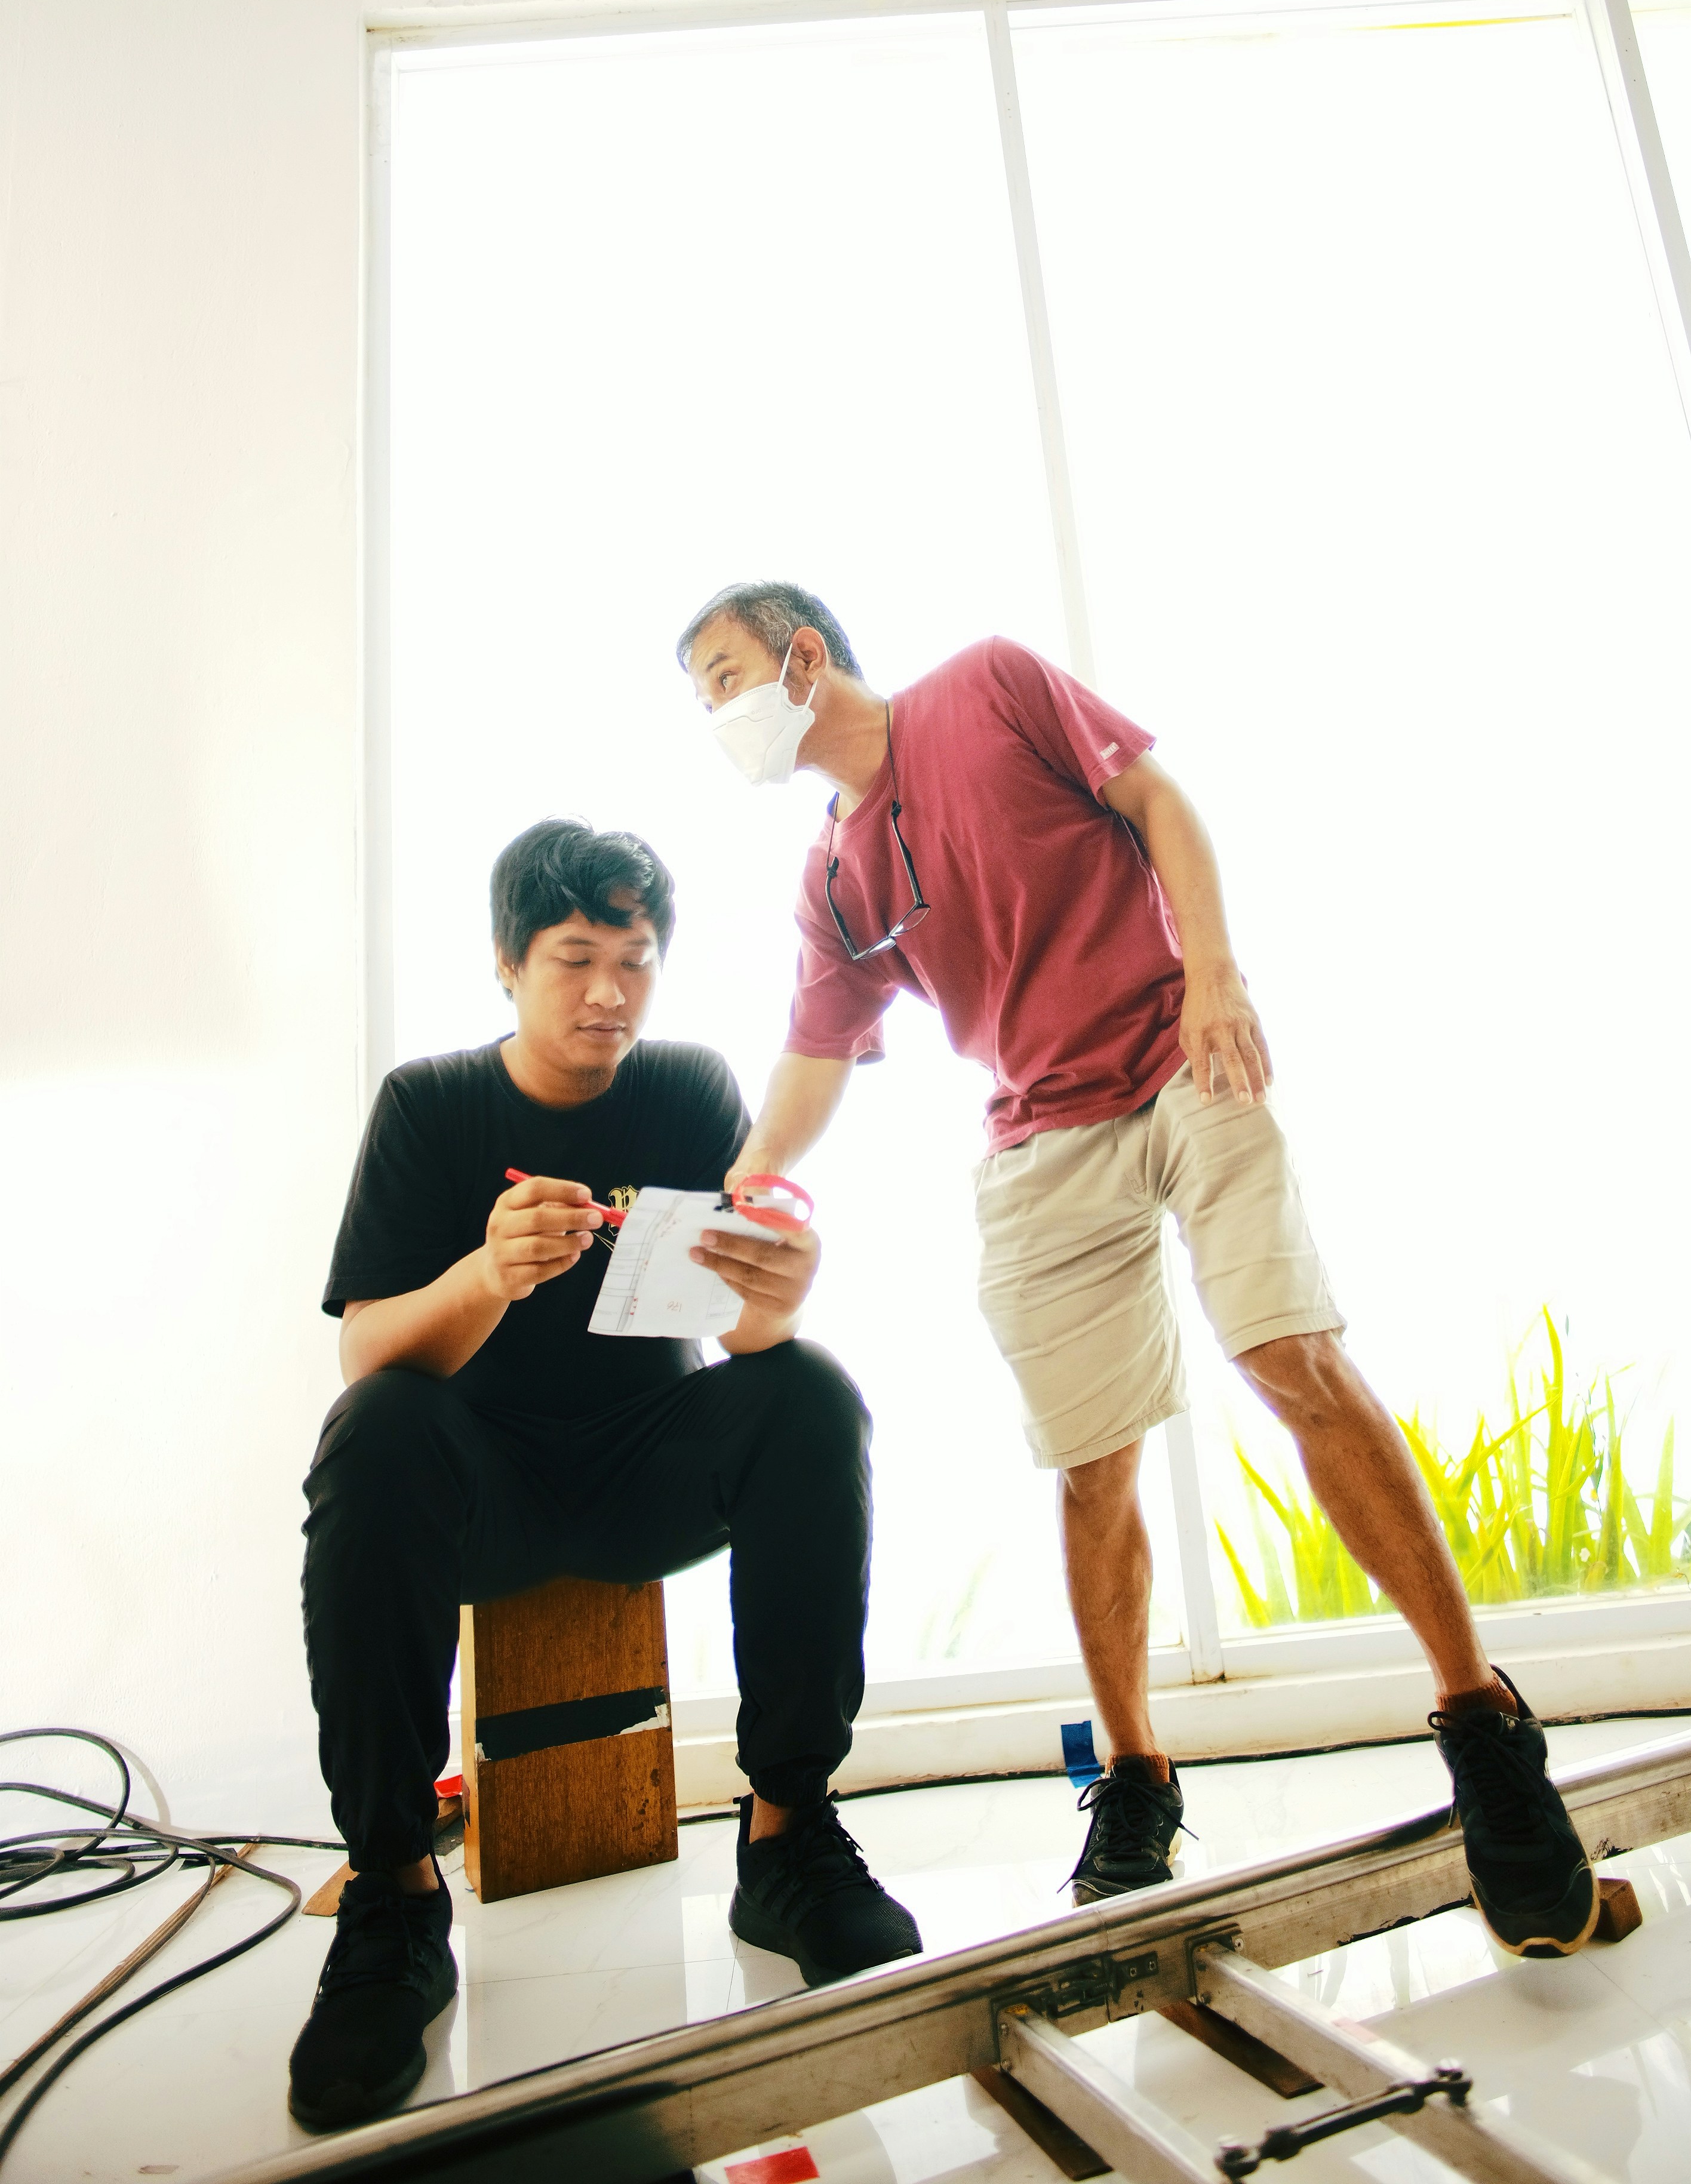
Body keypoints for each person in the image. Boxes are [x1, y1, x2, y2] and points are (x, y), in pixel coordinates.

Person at [677, 581, 1598, 1961]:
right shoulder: (832, 880)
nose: (719, 713)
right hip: (1039, 1136)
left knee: (1290, 1354)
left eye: (725, 675)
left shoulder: (988, 685)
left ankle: (1482, 1720)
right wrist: (746, 1175)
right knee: (1091, 1464)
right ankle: (1135, 1776)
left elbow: (1158, 800)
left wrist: (1216, 970)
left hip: (1183, 1057)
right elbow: (817, 1054)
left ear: (802, 656)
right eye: (702, 696)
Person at [290, 816, 920, 2135]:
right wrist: (487, 1274)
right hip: (484, 1487)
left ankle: (788, 1833)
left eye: (635, 961)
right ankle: (395, 1891)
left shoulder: (685, 1088)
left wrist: (779, 1296)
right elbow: (366, 1356)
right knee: (375, 1431)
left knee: (809, 1392)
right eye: (575, 959)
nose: (609, 993)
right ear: (508, 963)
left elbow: (741, 1332)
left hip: (647, 1463)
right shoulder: (429, 1105)